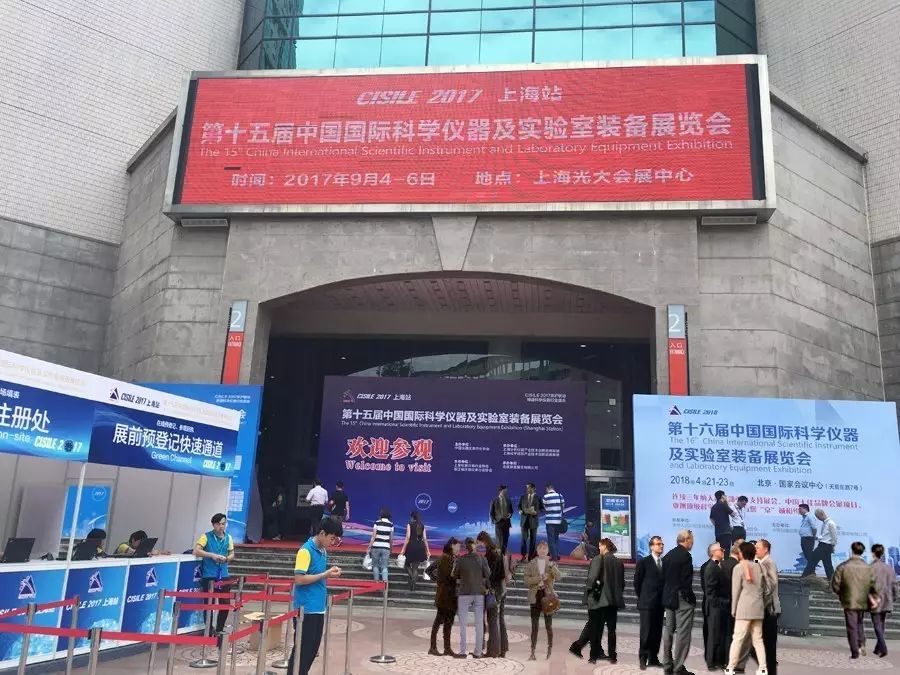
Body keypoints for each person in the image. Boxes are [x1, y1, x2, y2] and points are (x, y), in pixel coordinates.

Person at [287, 517, 343, 675]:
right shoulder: (305, 551)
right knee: (302, 649)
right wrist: (325, 574)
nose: (333, 542)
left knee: (312, 649)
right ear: (322, 533)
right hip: (306, 608)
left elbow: (317, 575)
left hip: (318, 607)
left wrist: (329, 574)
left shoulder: (322, 551)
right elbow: (299, 579)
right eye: (332, 538)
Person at [724, 542, 768, 675]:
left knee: (737, 639)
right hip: (758, 608)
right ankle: (763, 668)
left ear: (742, 553)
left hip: (744, 608)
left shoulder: (738, 568)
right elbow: (766, 589)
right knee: (758, 640)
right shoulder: (760, 567)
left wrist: (733, 609)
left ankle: (730, 667)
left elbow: (736, 590)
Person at [831, 541, 876, 660]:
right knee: (859, 622)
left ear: (852, 550)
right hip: (863, 600)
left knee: (851, 625)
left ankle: (855, 651)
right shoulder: (868, 568)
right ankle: (862, 644)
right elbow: (873, 585)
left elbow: (835, 585)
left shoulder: (843, 566)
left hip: (849, 600)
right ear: (862, 552)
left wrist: (842, 594)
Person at [192, 514, 235, 635]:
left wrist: (227, 558)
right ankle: (209, 630)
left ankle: (220, 629)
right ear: (213, 525)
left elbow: (232, 554)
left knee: (225, 603)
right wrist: (211, 555)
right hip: (209, 575)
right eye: (218, 524)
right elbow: (196, 550)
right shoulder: (205, 536)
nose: (221, 526)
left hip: (223, 574)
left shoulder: (228, 537)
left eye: (223, 524)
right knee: (209, 604)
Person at [662, 529, 696, 675]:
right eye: (692, 540)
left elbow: (663, 578)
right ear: (686, 540)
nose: (693, 543)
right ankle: (678, 667)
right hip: (682, 598)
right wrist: (690, 599)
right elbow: (686, 581)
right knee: (683, 633)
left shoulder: (668, 555)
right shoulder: (686, 556)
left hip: (669, 597)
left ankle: (667, 664)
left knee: (668, 630)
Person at [585, 538, 625, 664]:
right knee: (612, 630)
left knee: (596, 629)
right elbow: (622, 583)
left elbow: (592, 579)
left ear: (604, 546)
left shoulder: (598, 559)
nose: (599, 548)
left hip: (600, 599)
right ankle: (613, 656)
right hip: (613, 600)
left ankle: (593, 656)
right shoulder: (619, 562)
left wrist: (589, 594)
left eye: (600, 546)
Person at [454, 537, 490, 659]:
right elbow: (488, 574)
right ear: (475, 546)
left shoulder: (461, 559)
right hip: (479, 593)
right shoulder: (482, 559)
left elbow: (455, 574)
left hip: (464, 592)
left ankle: (463, 651)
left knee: (463, 624)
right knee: (479, 624)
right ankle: (478, 652)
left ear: (465, 547)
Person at [523, 540, 560, 660]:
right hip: (535, 596)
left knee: (548, 626)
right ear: (537, 550)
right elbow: (526, 581)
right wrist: (539, 578)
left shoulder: (551, 563)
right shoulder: (531, 563)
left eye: (545, 548)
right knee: (534, 626)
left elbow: (559, 577)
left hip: (547, 596)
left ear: (548, 550)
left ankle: (549, 650)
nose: (542, 550)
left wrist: (552, 567)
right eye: (540, 548)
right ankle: (532, 652)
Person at [633, 535, 665, 670]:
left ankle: (653, 658)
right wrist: (643, 597)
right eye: (658, 544)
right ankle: (643, 658)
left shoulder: (664, 563)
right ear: (651, 546)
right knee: (646, 633)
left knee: (657, 633)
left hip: (659, 604)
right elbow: (637, 582)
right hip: (646, 603)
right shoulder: (644, 562)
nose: (661, 546)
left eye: (662, 544)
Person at [478, 530, 509, 658]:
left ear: (484, 541)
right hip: (502, 589)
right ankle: (503, 649)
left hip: (494, 591)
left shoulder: (490, 555)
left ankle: (493, 651)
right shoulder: (498, 551)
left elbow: (491, 575)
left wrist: (486, 584)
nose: (478, 546)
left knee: (492, 620)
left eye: (479, 543)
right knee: (500, 620)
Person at [425, 537, 459, 657]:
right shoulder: (446, 558)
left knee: (447, 622)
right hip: (446, 596)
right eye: (457, 546)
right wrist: (439, 581)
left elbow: (428, 570)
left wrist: (438, 581)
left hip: (448, 595)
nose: (459, 549)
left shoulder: (448, 558)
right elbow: (430, 570)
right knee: (439, 621)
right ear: (452, 546)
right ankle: (434, 647)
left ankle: (446, 648)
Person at [755, 539, 780, 675]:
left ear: (766, 549)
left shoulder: (768, 562)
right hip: (765, 608)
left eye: (758, 547)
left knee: (769, 644)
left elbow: (771, 585)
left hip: (769, 609)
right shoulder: (761, 562)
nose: (755, 550)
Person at [703, 542, 727, 671]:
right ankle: (711, 662)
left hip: (718, 606)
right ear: (713, 552)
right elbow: (710, 591)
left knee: (718, 633)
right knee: (713, 634)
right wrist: (718, 604)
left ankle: (717, 660)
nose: (723, 551)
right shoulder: (711, 567)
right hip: (714, 607)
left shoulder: (718, 565)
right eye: (720, 549)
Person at [870, 543, 895, 657]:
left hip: (875, 599)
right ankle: (877, 648)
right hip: (887, 598)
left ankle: (883, 647)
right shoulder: (889, 568)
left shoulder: (870, 568)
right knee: (881, 622)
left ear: (873, 553)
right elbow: (895, 585)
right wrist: (894, 597)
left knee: (877, 623)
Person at [802, 509, 838, 580]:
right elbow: (825, 536)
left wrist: (833, 546)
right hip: (824, 545)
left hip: (824, 546)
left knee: (812, 561)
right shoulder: (825, 523)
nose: (818, 519)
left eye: (818, 517)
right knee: (828, 565)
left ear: (822, 514)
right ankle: (832, 581)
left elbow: (834, 536)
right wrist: (818, 538)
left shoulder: (830, 523)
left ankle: (803, 577)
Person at [721, 543, 742, 660]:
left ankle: (722, 657)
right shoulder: (738, 566)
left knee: (723, 631)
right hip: (734, 603)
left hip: (722, 601)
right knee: (732, 632)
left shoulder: (722, 564)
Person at [399, 510, 428, 591]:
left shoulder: (409, 524)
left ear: (412, 517)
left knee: (406, 564)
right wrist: (427, 550)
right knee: (415, 568)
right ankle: (413, 583)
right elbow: (425, 538)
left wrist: (403, 549)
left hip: (411, 546)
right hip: (420, 547)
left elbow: (408, 537)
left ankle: (412, 578)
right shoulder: (422, 525)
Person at [518, 482, 542, 562]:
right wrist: (520, 511)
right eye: (527, 487)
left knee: (533, 540)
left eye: (529, 487)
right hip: (524, 521)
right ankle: (523, 556)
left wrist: (536, 512)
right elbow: (519, 507)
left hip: (534, 521)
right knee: (523, 540)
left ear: (534, 488)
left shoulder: (538, 498)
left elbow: (542, 508)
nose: (527, 489)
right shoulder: (522, 497)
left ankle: (531, 557)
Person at [368, 507, 393, 582]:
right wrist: (391, 549)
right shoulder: (391, 524)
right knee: (384, 566)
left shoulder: (377, 523)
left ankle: (376, 582)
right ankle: (385, 583)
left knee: (375, 565)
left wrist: (369, 547)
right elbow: (391, 539)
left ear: (381, 514)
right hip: (386, 547)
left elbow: (373, 537)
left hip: (376, 546)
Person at [543, 483, 565, 562]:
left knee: (551, 539)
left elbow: (544, 508)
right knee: (556, 538)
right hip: (558, 521)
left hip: (549, 521)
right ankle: (557, 554)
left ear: (547, 488)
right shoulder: (560, 496)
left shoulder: (545, 497)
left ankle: (554, 557)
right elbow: (563, 507)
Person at [489, 485, 514, 555]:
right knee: (499, 541)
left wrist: (510, 514)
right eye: (504, 491)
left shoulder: (508, 500)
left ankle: (503, 555)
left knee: (505, 540)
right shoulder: (494, 501)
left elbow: (511, 511)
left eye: (506, 491)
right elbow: (491, 513)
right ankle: (499, 556)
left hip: (507, 522)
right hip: (498, 523)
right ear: (500, 491)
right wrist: (494, 521)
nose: (506, 492)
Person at [709, 491, 734, 555]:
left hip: (718, 533)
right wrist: (726, 502)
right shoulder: (724, 504)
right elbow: (733, 514)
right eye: (725, 495)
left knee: (719, 551)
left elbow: (711, 518)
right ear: (722, 496)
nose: (726, 497)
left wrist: (717, 525)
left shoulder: (713, 507)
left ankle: (719, 561)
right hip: (726, 532)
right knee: (726, 551)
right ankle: (725, 561)